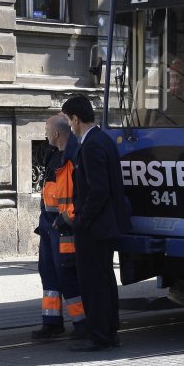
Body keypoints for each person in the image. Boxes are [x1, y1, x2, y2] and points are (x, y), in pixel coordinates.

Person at [61, 95, 131, 351]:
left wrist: (81, 220)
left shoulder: (90, 146)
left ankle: (99, 334)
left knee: (93, 283)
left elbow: (98, 190)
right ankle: (109, 331)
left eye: (68, 121)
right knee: (105, 280)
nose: (69, 126)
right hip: (105, 225)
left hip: (95, 227)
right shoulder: (104, 140)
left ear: (76, 119)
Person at [32, 115, 88, 340]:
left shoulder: (74, 157)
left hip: (65, 226)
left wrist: (67, 218)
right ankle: (52, 322)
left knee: (67, 274)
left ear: (56, 133)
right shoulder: (54, 155)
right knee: (48, 272)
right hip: (49, 224)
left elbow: (82, 195)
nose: (45, 134)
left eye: (47, 130)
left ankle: (82, 323)